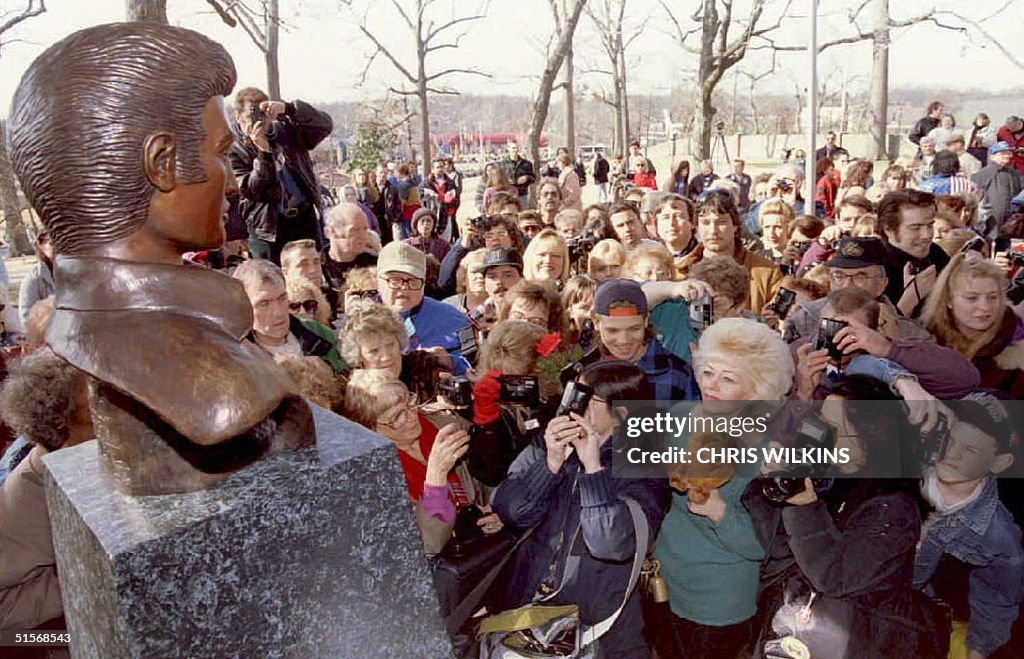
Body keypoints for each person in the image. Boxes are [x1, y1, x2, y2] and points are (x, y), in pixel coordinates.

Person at [8, 22, 314, 494]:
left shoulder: (89, 318)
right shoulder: (220, 395)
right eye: (219, 153)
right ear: (162, 163)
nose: (232, 183)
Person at [491, 360, 670, 658]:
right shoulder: (552, 440)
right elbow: (512, 512)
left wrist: (593, 470)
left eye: (588, 398)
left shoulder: (645, 465)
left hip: (598, 628)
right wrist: (550, 464)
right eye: (575, 391)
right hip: (529, 610)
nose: (573, 404)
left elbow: (611, 545)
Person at [654, 318, 793, 659]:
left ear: (757, 389)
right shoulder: (681, 416)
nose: (711, 385)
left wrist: (718, 511)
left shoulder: (768, 453)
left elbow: (762, 547)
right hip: (661, 583)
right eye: (708, 371)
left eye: (728, 379)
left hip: (718, 601)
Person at [914, 393, 1024, 659]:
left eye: (972, 450)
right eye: (950, 440)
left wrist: (975, 652)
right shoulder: (905, 474)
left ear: (999, 462)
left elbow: (995, 602)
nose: (953, 453)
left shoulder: (998, 535)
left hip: (916, 608)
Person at [342, 370, 499, 556]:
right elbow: (428, 544)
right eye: (397, 417)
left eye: (410, 403)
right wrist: (436, 476)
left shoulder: (445, 425)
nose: (411, 415)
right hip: (446, 567)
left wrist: (498, 511)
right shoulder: (373, 477)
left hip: (484, 543)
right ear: (372, 429)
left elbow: (485, 480)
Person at [0, 349, 94, 630]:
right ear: (62, 425)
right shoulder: (27, 500)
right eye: (94, 408)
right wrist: (86, 579)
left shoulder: (81, 459)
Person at [230, 86, 333, 263]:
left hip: (303, 218)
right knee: (272, 281)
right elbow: (253, 190)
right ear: (238, 116)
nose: (258, 123)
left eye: (263, 116)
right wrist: (264, 153)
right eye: (251, 117)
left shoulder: (285, 132)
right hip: (268, 228)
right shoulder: (233, 149)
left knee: (309, 275)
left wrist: (289, 109)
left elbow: (324, 125)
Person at [921, 253, 1024, 398]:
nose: (985, 306)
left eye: (992, 297)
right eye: (972, 298)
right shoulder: (926, 342)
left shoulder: (1016, 343)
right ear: (949, 300)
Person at [583, 278, 699, 402]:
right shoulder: (583, 371)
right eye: (613, 330)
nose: (623, 340)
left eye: (634, 329)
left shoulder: (678, 375)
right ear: (596, 322)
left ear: (646, 320)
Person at [234, 259, 345, 374]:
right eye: (264, 303)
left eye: (282, 298)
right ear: (243, 306)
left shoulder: (318, 333)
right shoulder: (238, 357)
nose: (279, 312)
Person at [377, 241, 471, 374]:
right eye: (395, 280)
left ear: (424, 284)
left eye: (413, 281)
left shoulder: (456, 319)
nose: (404, 287)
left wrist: (451, 361)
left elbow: (474, 364)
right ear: (378, 282)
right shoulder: (360, 322)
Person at [688, 191, 783, 312]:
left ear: (735, 226)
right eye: (706, 223)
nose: (713, 230)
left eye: (721, 222)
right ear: (696, 228)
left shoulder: (766, 273)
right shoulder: (681, 271)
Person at [879, 189, 951, 317]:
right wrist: (911, 298)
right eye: (915, 228)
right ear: (889, 229)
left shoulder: (936, 254)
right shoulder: (874, 268)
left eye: (930, 225)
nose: (927, 235)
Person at [319, 202, 378, 292]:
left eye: (365, 229)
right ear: (331, 232)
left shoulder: (375, 263)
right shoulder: (317, 267)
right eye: (355, 230)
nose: (362, 235)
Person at [972, 142, 1024, 242]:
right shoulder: (980, 175)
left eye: (1008, 153)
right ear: (992, 156)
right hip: (991, 220)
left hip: (1011, 220)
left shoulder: (1014, 173)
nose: (1007, 155)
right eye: (1002, 153)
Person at [17, 226, 54, 328]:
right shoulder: (34, 279)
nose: (57, 248)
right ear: (41, 245)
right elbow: (26, 318)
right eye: (51, 243)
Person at [500, 141, 537, 208]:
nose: (516, 150)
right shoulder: (502, 164)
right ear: (508, 149)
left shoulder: (526, 164)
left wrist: (526, 177)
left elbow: (533, 178)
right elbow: (498, 178)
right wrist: (506, 181)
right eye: (513, 148)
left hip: (522, 194)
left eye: (517, 148)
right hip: (507, 194)